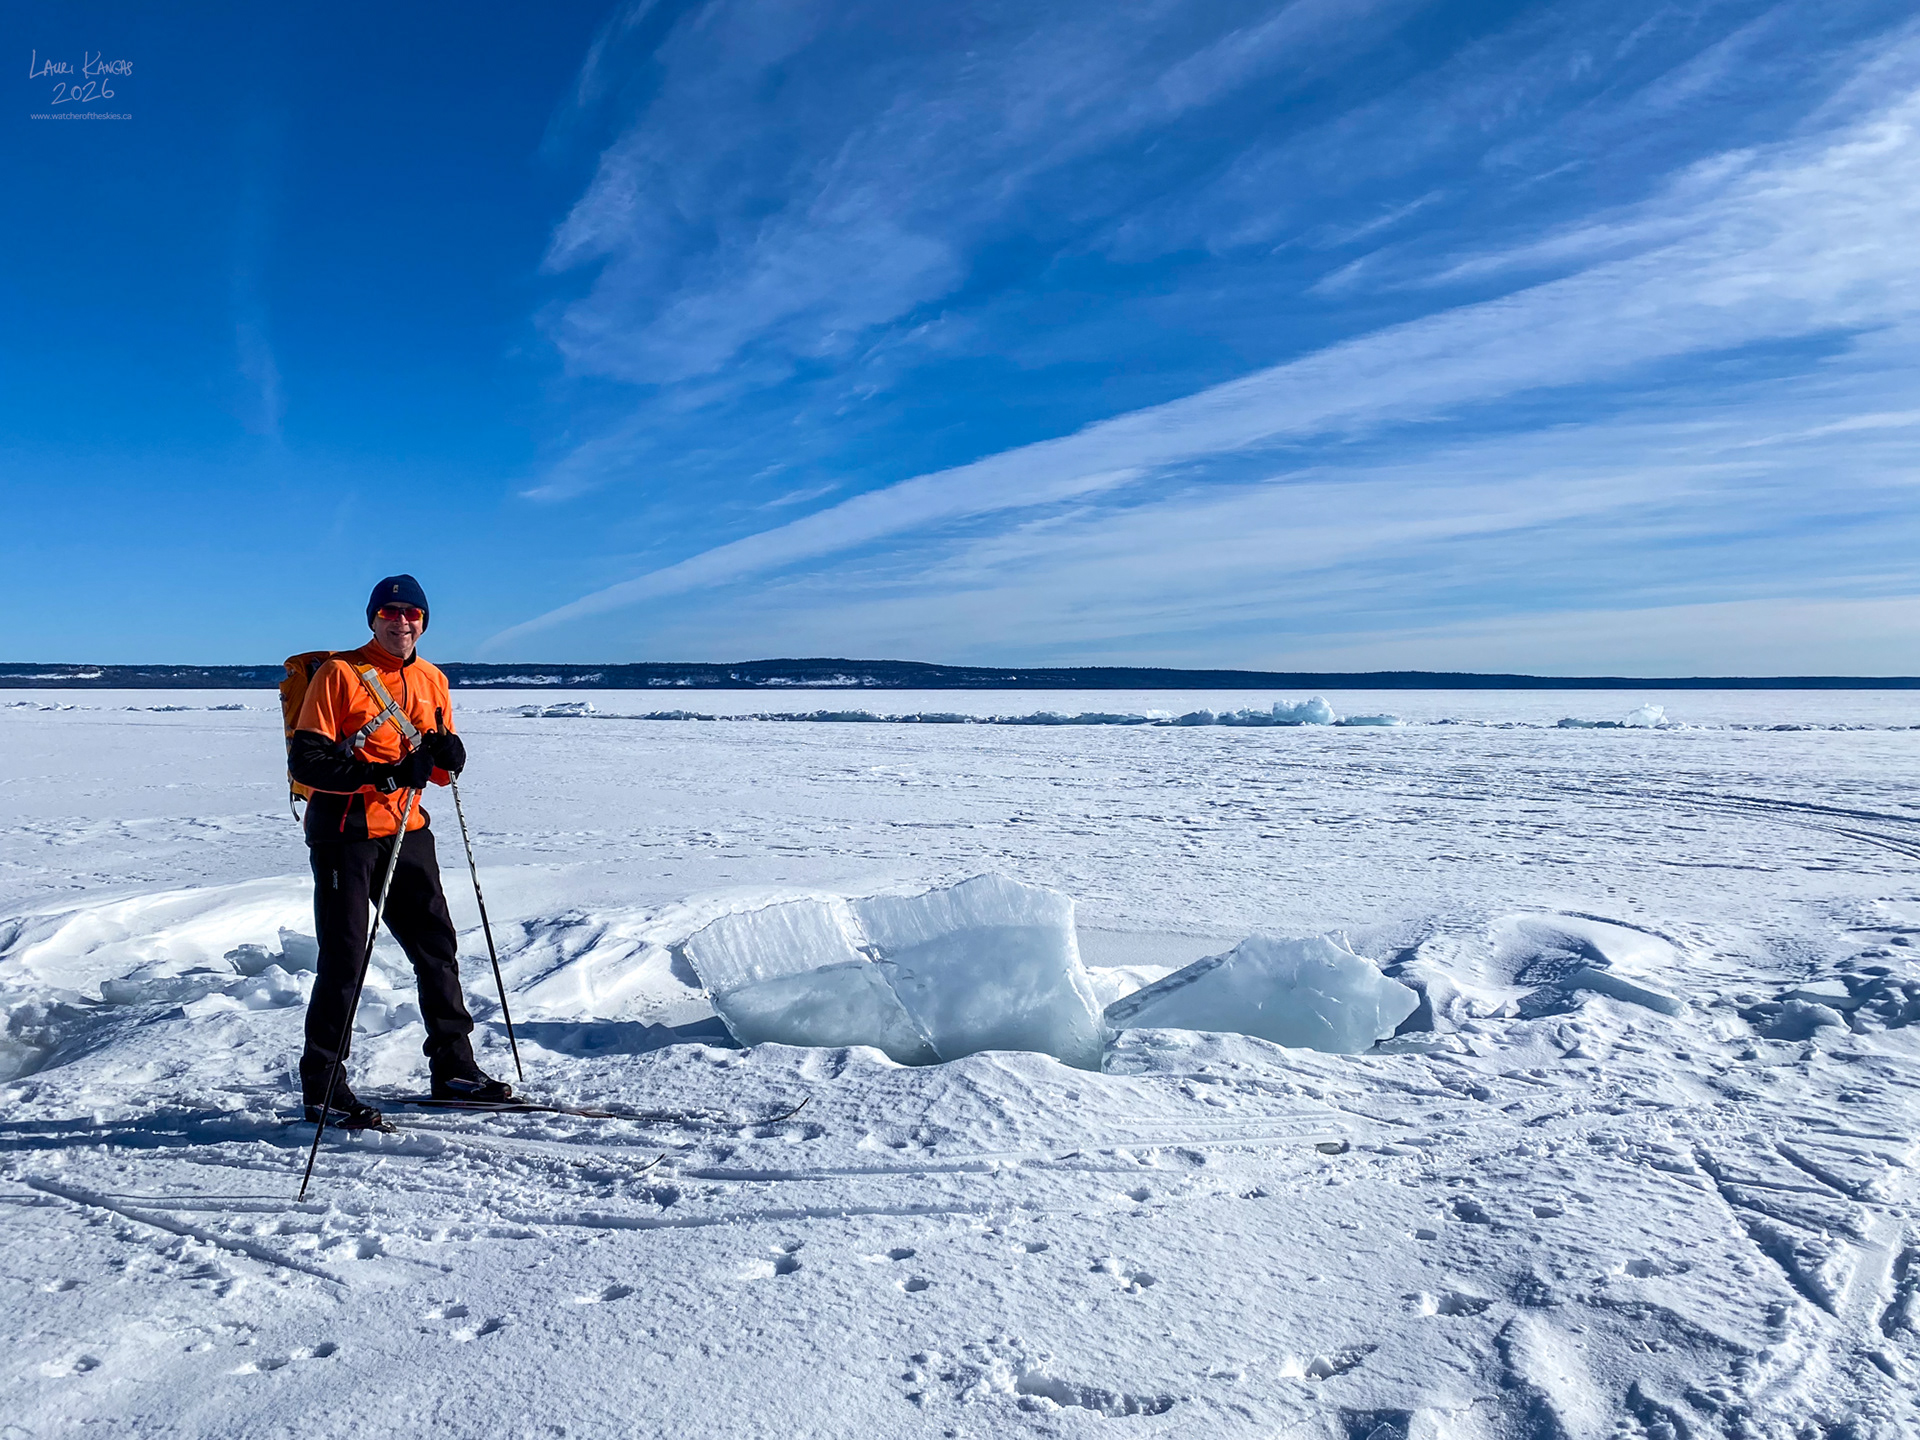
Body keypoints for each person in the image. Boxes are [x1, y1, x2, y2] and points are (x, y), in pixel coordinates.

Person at [288, 574, 511, 1128]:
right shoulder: (340, 674)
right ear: (373, 619)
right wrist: (386, 774)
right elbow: (308, 762)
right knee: (344, 959)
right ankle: (323, 1086)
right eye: (390, 613)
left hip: (409, 831)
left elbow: (432, 771)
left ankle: (454, 1068)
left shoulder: (434, 679)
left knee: (437, 948)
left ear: (423, 621)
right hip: (345, 832)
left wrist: (449, 758)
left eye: (412, 613)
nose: (401, 621)